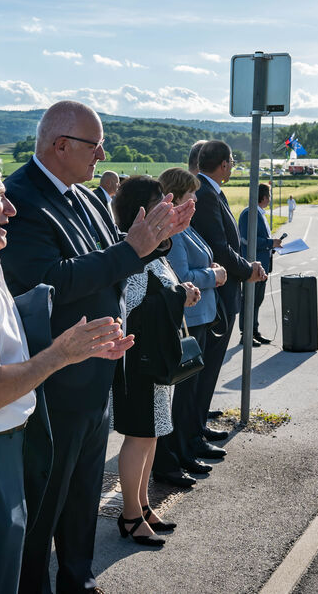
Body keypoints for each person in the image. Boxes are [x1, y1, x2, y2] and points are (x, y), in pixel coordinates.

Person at [0, 149, 131, 592]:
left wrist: (80, 348)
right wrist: (60, 354)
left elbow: (1, 344)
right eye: (0, 197)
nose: (11, 209)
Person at [0, 100, 193, 594]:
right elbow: (50, 280)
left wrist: (158, 238)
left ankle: (78, 580)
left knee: (83, 495)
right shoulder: (20, 199)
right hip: (54, 380)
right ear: (60, 145)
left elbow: (117, 259)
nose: (102, 154)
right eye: (95, 145)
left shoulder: (85, 199)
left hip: (96, 372)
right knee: (45, 502)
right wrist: (131, 249)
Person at [111, 176, 200, 547]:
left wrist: (180, 292)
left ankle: (143, 506)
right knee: (140, 437)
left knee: (150, 437)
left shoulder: (154, 250)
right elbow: (131, 307)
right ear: (141, 212)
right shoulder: (130, 252)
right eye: (159, 204)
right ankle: (130, 514)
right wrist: (180, 295)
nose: (168, 208)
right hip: (139, 362)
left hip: (156, 359)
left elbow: (159, 293)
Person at [189, 140, 266, 463]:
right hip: (216, 295)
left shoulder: (210, 192)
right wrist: (248, 270)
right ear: (222, 164)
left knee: (207, 371)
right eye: (231, 161)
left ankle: (197, 428)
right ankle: (193, 437)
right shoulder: (206, 194)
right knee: (204, 371)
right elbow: (220, 248)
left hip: (220, 292)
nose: (233, 166)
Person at [153, 167, 227, 488]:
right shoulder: (174, 230)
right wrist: (213, 275)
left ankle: (189, 446)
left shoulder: (187, 226)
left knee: (191, 392)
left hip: (202, 315)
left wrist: (210, 268)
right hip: (190, 318)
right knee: (182, 397)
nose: (196, 197)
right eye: (192, 193)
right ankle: (180, 453)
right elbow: (181, 277)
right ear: (177, 195)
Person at [238, 183, 282, 345]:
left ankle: (254, 331)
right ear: (263, 197)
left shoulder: (259, 213)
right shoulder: (249, 213)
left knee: (257, 300)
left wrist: (272, 247)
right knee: (249, 300)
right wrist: (270, 243)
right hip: (253, 266)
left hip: (262, 266)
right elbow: (247, 239)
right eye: (269, 196)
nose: (270, 199)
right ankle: (246, 334)